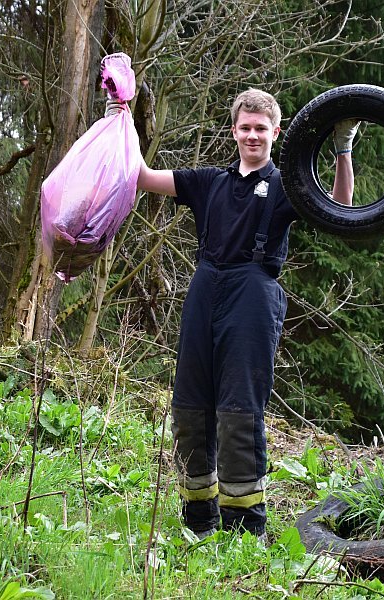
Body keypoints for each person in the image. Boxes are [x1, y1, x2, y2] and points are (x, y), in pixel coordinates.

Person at [107, 88, 357, 540]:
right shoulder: (209, 181)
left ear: (276, 132)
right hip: (204, 288)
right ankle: (199, 520)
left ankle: (244, 530)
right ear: (234, 131)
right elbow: (141, 176)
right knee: (188, 406)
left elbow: (339, 206)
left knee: (239, 410)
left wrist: (342, 149)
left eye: (261, 128)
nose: (252, 135)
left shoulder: (288, 185)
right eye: (245, 127)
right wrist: (118, 116)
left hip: (253, 293)